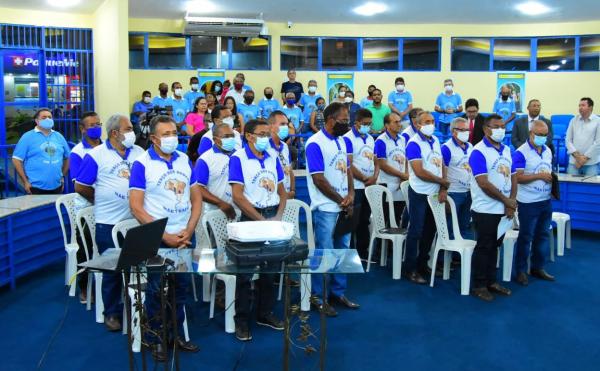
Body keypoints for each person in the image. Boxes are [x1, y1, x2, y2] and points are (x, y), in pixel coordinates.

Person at [129, 115, 201, 361]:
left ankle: (176, 334)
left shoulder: (183, 159)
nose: (172, 137)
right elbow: (136, 207)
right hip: (158, 239)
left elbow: (196, 198)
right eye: (166, 134)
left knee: (181, 289)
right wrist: (165, 236)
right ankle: (156, 338)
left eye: (174, 132)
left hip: (184, 235)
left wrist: (189, 229)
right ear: (153, 138)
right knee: (156, 290)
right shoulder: (142, 164)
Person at [75, 114, 145, 331]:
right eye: (129, 128)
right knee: (112, 270)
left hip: (136, 221)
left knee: (140, 266)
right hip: (108, 222)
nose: (133, 132)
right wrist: (100, 199)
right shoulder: (97, 155)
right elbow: (80, 186)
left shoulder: (139, 152)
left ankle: (140, 307)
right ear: (115, 133)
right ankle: (112, 313)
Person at [229, 119, 287, 341]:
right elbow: (237, 196)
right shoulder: (239, 158)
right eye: (262, 133)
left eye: (267, 132)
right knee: (245, 274)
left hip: (272, 216)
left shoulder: (272, 156)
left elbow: (282, 190)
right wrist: (261, 220)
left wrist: (279, 216)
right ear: (249, 136)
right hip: (251, 218)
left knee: (270, 270)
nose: (266, 137)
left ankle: (265, 312)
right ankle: (241, 320)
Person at [305, 102, 360, 317]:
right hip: (326, 207)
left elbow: (347, 170)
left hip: (343, 205)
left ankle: (338, 292)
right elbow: (319, 179)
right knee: (325, 253)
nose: (347, 124)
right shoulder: (314, 143)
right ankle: (319, 296)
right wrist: (340, 199)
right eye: (344, 120)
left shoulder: (342, 141)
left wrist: (352, 195)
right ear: (330, 120)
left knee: (342, 251)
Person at [468, 114, 516, 301]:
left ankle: (491, 281)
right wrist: (506, 201)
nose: (501, 130)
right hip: (485, 209)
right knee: (484, 247)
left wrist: (511, 201)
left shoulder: (506, 149)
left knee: (495, 247)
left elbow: (513, 177)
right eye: (496, 126)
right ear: (486, 129)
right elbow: (483, 183)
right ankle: (479, 285)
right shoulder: (478, 151)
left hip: (503, 209)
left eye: (503, 126)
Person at [405, 111, 447, 284]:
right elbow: (420, 172)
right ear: (417, 124)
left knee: (430, 230)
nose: (431, 124)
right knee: (416, 231)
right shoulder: (413, 144)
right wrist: (441, 181)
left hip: (434, 193)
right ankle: (410, 268)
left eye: (432, 121)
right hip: (419, 192)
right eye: (426, 122)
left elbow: (442, 164)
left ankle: (423, 263)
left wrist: (443, 186)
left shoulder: (435, 140)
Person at [513, 120, 555, 286]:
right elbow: (518, 177)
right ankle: (521, 271)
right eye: (539, 135)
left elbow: (548, 171)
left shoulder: (547, 151)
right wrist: (539, 177)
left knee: (542, 235)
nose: (543, 138)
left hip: (545, 200)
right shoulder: (521, 153)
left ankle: (538, 267)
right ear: (531, 133)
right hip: (528, 202)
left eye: (545, 135)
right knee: (526, 236)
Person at [69, 111, 102, 303]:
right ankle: (84, 285)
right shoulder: (78, 153)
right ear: (82, 129)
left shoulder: (107, 148)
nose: (96, 127)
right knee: (86, 248)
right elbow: (79, 186)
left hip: (106, 208)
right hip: (86, 208)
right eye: (91, 125)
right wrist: (101, 200)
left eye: (98, 124)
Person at [344, 109, 378, 260]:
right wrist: (364, 178)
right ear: (356, 123)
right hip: (355, 186)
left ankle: (362, 251)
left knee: (365, 219)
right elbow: (348, 165)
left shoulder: (370, 138)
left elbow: (376, 160)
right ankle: (350, 252)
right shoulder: (347, 138)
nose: (367, 126)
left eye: (370, 124)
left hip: (369, 186)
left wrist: (374, 177)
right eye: (364, 124)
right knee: (352, 221)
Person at [13, 108, 70, 194]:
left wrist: (62, 177)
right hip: (35, 188)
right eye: (44, 117)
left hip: (57, 186)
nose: (47, 119)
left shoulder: (58, 136)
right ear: (37, 121)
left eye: (50, 117)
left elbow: (68, 157)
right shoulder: (27, 137)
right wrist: (25, 181)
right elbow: (16, 159)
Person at [441, 117, 473, 239]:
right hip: (453, 193)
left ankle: (459, 256)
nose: (466, 133)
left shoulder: (470, 146)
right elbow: (443, 172)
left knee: (464, 225)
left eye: (467, 130)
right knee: (450, 226)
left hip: (468, 192)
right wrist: (444, 190)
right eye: (462, 130)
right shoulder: (446, 148)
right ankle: (444, 256)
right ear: (454, 131)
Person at [375, 113, 409, 230]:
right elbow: (382, 165)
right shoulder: (381, 141)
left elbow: (406, 160)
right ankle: (380, 247)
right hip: (386, 183)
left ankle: (392, 248)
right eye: (396, 122)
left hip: (400, 185)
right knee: (384, 219)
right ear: (387, 125)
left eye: (400, 121)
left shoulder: (403, 139)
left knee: (397, 217)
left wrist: (405, 176)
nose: (399, 124)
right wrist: (403, 175)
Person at [195, 123, 237, 217]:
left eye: (232, 136)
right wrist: (221, 204)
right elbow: (198, 188)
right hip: (216, 214)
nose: (230, 139)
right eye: (226, 136)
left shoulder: (240, 155)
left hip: (242, 211)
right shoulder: (205, 159)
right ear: (215, 140)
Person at [565, 97, 600, 176]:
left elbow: (598, 143)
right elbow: (568, 140)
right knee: (572, 186)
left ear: (590, 108)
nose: (580, 108)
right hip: (574, 162)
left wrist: (584, 159)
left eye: (583, 105)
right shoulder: (573, 120)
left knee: (590, 187)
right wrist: (578, 158)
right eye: (579, 105)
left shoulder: (598, 121)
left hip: (591, 163)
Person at [267, 111, 295, 198]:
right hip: (273, 196)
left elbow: (289, 169)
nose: (286, 127)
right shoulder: (265, 147)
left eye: (287, 124)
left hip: (288, 195)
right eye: (282, 124)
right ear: (271, 126)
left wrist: (292, 190)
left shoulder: (285, 146)